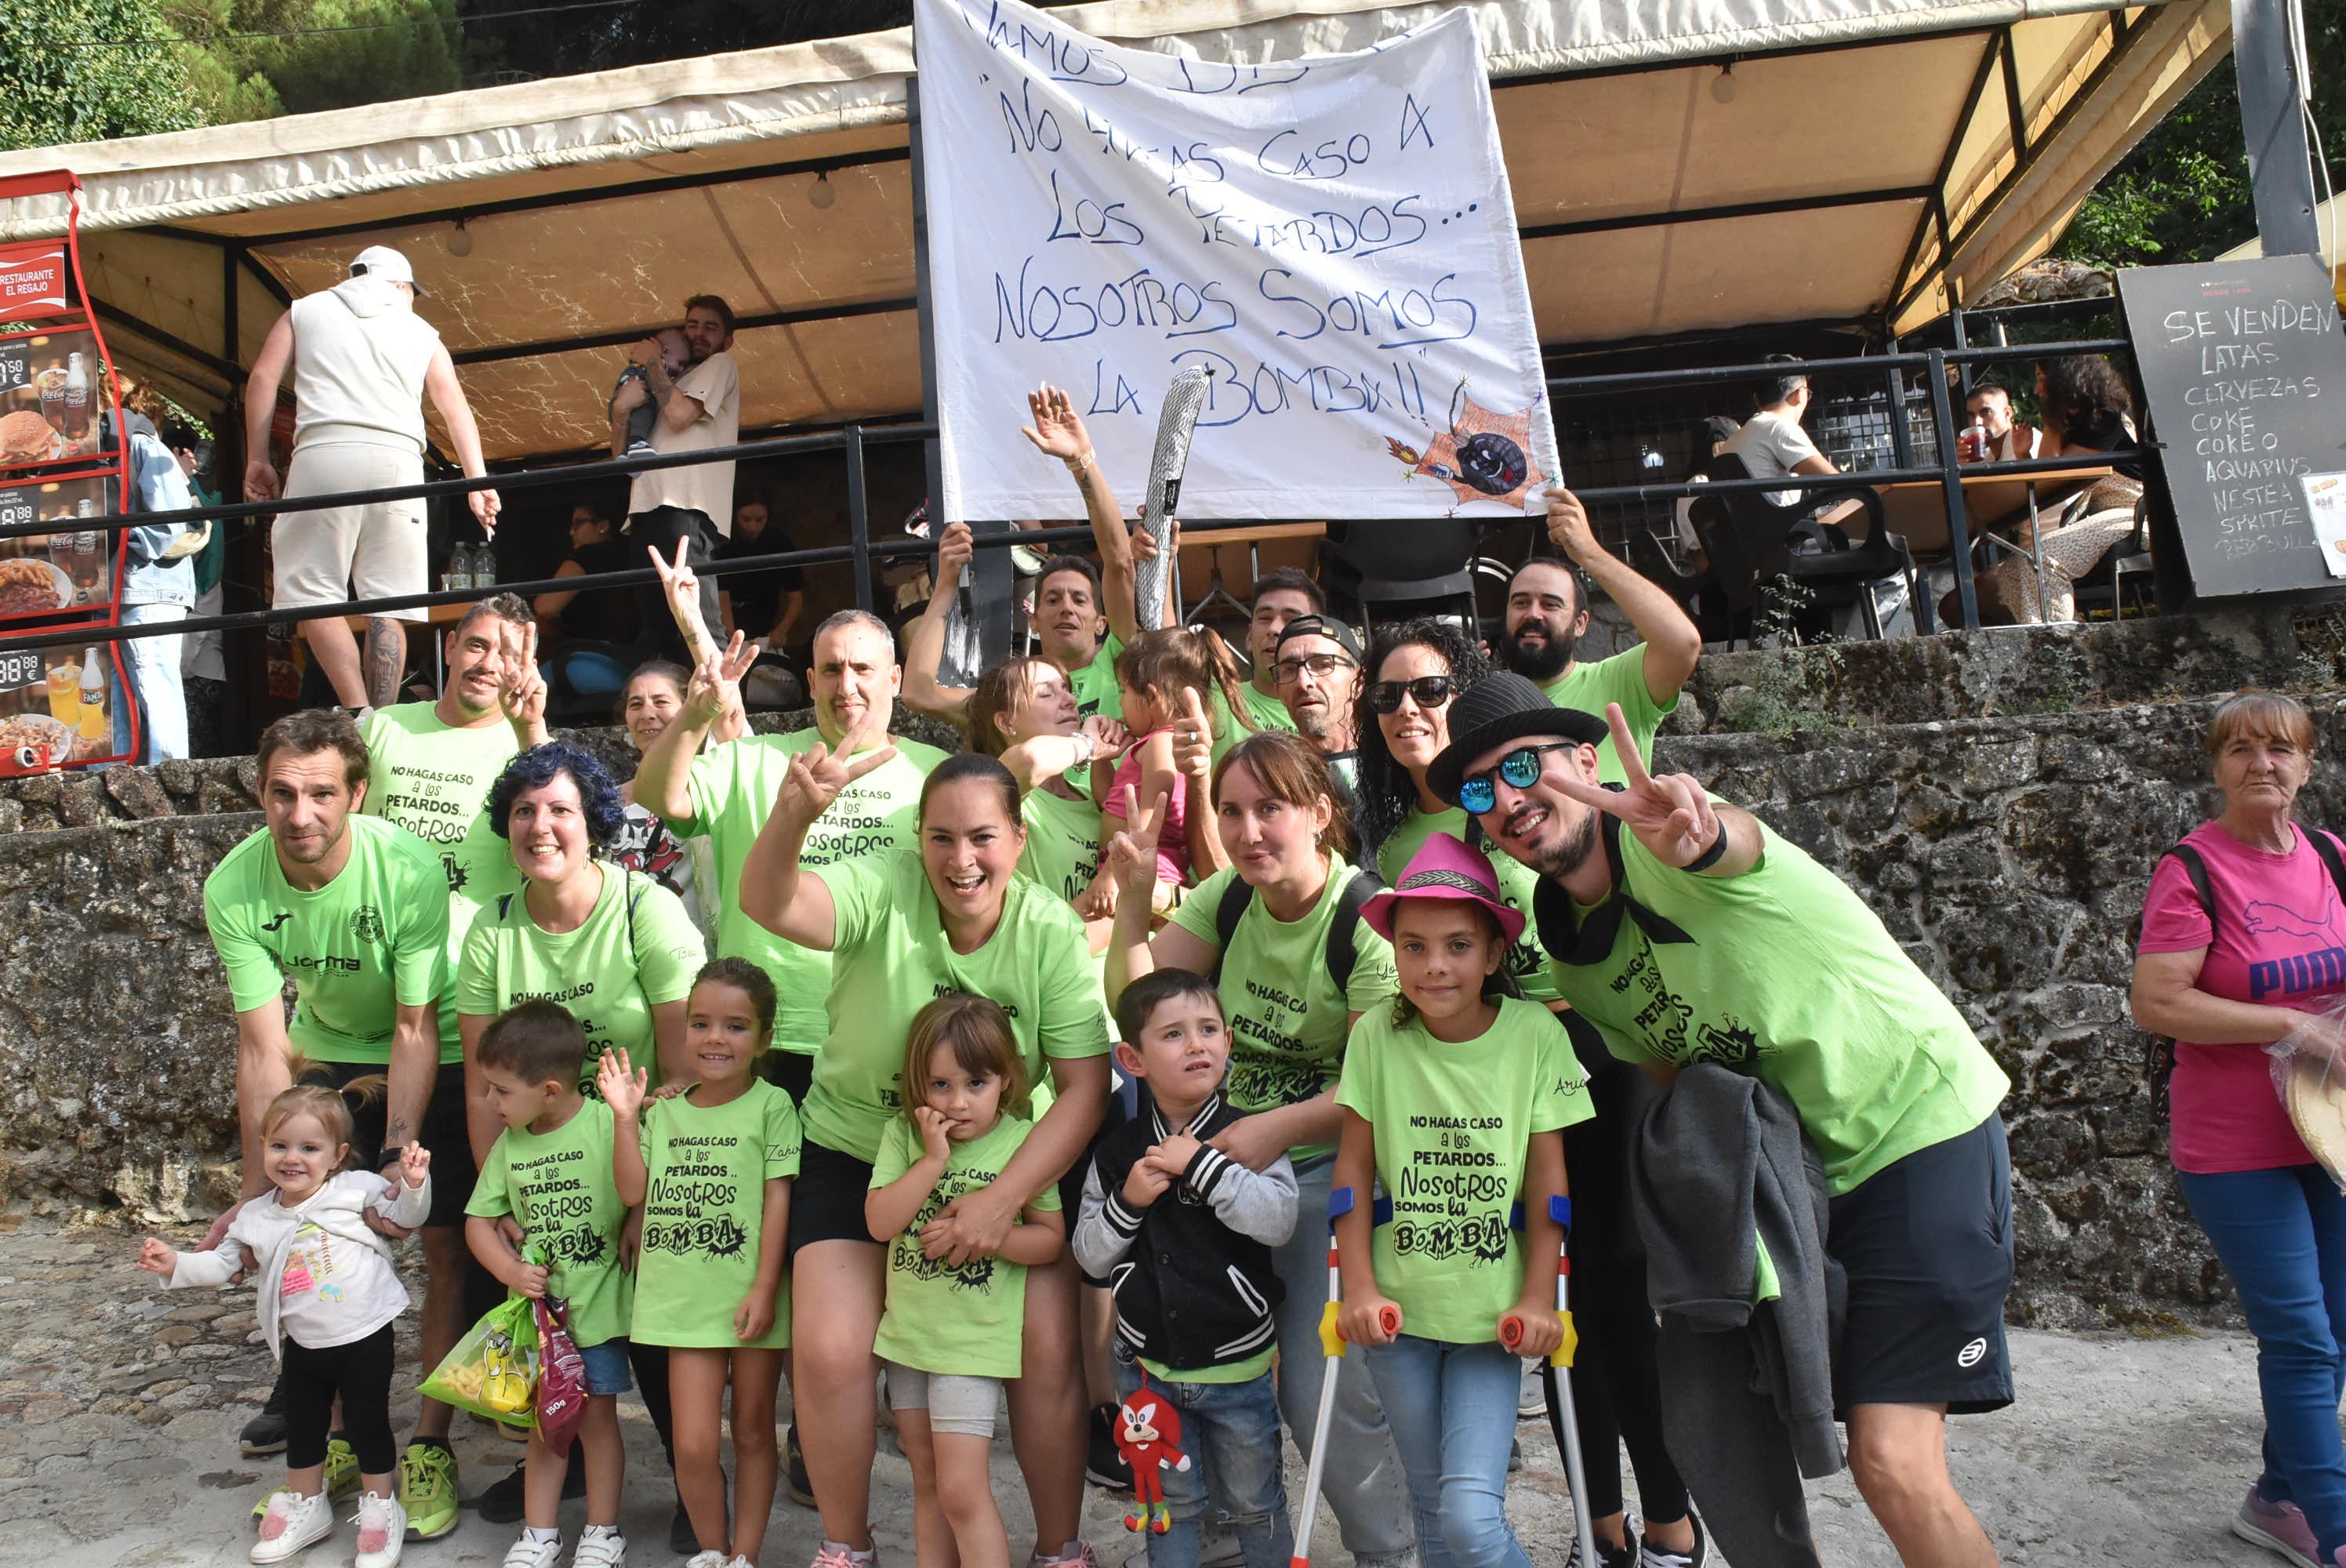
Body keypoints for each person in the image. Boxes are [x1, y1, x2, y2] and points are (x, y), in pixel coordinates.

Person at [1433, 677, 2014, 1568]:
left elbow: (1727, 843)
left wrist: (1699, 834)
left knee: (1892, 1459)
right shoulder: (1574, 955)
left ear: (1585, 762)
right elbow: (1677, 1077)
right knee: (1858, 1453)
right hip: (1805, 1181)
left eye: (1523, 766)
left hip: (1914, 1128)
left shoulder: (1672, 841)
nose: (1507, 799)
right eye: (1481, 788)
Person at [1349, 622, 1699, 1568]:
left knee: (1612, 1290)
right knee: (1539, 1301)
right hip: (1472, 1083)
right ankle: (1600, 1522)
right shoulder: (1390, 837)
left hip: (1583, 1053)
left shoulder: (1540, 782)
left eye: (1425, 689)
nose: (1408, 711)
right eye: (1385, 697)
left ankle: (1667, 1511)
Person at [738, 750, 1113, 1568]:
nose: (961, 858)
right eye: (940, 836)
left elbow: (1086, 1087)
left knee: (1047, 1347)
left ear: (1019, 837)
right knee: (833, 1348)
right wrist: (793, 814)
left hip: (1003, 1163)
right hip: (856, 1147)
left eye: (982, 835)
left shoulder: (1048, 929)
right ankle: (847, 1545)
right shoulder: (884, 882)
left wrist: (996, 1201)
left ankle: (1059, 1550)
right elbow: (768, 899)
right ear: (916, 838)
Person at [1104, 731, 1415, 1568]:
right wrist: (1133, 904)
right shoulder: (1226, 898)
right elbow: (1143, 1011)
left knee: (1319, 1388)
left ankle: (1386, 1552)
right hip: (1213, 1164)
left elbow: (1368, 1092)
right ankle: (1208, 1538)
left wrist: (1271, 1129)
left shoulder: (1366, 925)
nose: (1247, 831)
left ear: (1320, 812)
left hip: (1322, 1171)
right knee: (1165, 1339)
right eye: (1231, 811)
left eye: (1269, 808)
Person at [202, 710, 477, 1537]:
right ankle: (337, 1441)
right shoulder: (234, 885)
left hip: (440, 1040)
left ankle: (428, 1441)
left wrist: (397, 1147)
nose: (301, 813)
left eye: (322, 793)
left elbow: (413, 1026)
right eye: (282, 793)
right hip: (326, 1046)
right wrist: (256, 1197)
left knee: (438, 1241)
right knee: (307, 1238)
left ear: (357, 793)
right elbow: (261, 1047)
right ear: (259, 793)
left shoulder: (409, 867)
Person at [1335, 833, 1591, 1568]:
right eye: (1413, 947)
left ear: (1493, 954)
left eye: (1455, 945)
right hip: (1397, 1313)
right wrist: (1356, 1286)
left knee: (1470, 1519)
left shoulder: (1536, 1036)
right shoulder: (1375, 1035)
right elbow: (1353, 1173)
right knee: (1429, 1507)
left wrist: (1541, 1297)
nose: (1435, 965)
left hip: (1492, 1318)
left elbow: (1549, 1185)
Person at [2130, 693, 2346, 1568]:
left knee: (2338, 1325)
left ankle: (2277, 1496)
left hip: (2330, 1134)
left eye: (2279, 749)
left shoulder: (2332, 855)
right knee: (2299, 1335)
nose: (2262, 763)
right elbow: (2157, 1001)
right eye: (2241, 749)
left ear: (2308, 762)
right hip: (2234, 1146)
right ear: (2216, 766)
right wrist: (2287, 1024)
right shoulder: (2192, 870)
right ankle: (2336, 1530)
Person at [636, 601, 950, 1108]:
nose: (846, 685)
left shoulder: (935, 774)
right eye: (832, 669)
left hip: (893, 1034)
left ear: (893, 678)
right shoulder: (751, 759)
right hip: (763, 1035)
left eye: (862, 669)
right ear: (810, 681)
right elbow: (657, 795)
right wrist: (697, 712)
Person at [141, 1083, 431, 1568]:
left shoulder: (355, 1187)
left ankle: (381, 1507)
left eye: (309, 1148)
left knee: (366, 1419)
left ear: (337, 1155)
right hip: (303, 1340)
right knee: (303, 1420)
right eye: (279, 1146)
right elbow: (221, 1264)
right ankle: (307, 1504)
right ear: (263, 1148)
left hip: (365, 1331)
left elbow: (404, 1215)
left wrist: (415, 1182)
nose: (292, 1158)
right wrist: (175, 1263)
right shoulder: (255, 1216)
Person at [1073, 967, 1299, 1568]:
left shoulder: (1248, 1135)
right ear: (1133, 1058)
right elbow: (1089, 1257)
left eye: (1208, 1029)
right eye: (1173, 1034)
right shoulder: (1118, 1153)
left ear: (1228, 1041)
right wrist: (1129, 1203)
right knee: (1167, 1500)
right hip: (1145, 1368)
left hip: (1238, 1366)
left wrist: (1204, 1167)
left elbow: (1278, 1220)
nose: (1196, 1044)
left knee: (1257, 1502)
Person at [603, 960, 801, 1568]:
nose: (716, 1038)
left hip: (749, 1296)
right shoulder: (663, 1112)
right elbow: (633, 1191)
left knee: (750, 1431)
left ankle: (745, 1554)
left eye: (736, 1026)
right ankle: (712, 1551)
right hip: (679, 1300)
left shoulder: (773, 1107)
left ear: (764, 1040)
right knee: (690, 1444)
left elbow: (778, 1200)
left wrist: (766, 1287)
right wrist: (625, 1117)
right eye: (701, 1023)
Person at [242, 245, 500, 712]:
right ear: (400, 286)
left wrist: (257, 457)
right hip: (399, 463)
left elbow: (262, 379)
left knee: (313, 594)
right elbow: (454, 408)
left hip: (324, 456)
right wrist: (477, 482)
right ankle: (381, 718)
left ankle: (357, 709)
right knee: (390, 600)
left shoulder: (305, 310)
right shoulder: (421, 331)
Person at [867, 994, 1070, 1568]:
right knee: (927, 1486)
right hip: (908, 1340)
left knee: (960, 1489)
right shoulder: (904, 1138)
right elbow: (881, 1223)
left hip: (972, 1345)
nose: (957, 1103)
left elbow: (1050, 1239)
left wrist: (986, 1232)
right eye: (939, 1086)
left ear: (1005, 1079)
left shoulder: (1020, 1144)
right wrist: (930, 1162)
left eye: (975, 1084)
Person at [464, 1003, 634, 1568]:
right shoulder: (511, 1147)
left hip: (598, 1315)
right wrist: (508, 1271)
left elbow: (637, 1191)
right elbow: (478, 1223)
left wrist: (631, 1120)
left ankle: (602, 1532)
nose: (491, 1102)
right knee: (544, 1429)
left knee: (597, 1424)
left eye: (501, 1091)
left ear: (551, 1089)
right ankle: (539, 1534)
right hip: (541, 1327)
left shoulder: (605, 1125)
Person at [904, 386, 1144, 727]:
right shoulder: (1010, 694)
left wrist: (1081, 461)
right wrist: (945, 584)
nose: (1066, 607)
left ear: (1101, 623)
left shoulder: (1119, 664)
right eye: (1052, 599)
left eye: (1079, 600)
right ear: (1033, 619)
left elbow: (1120, 562)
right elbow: (919, 693)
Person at [362, 593, 549, 972]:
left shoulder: (531, 747)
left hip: (474, 971)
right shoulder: (383, 725)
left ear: (528, 667)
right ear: (450, 647)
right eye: (476, 646)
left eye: (507, 656)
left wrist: (531, 728)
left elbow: (562, 843)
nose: (487, 665)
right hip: (372, 960)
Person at [1496, 488, 1701, 786]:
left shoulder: (1618, 682)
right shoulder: (1487, 703)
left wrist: (1588, 551)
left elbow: (1683, 643)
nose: (1533, 614)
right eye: (1521, 602)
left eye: (1551, 604)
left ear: (1581, 624)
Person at [1970, 356, 2145, 626]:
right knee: (2009, 576)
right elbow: (2047, 478)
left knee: (2042, 559)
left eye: (2042, 380)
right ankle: (2056, 630)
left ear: (2067, 379)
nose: (2038, 390)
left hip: (2134, 514)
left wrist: (2049, 427)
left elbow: (2058, 478)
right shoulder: (2070, 423)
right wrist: (2027, 449)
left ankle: (2059, 643)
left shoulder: (2104, 416)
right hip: (2101, 515)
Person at [613, 296, 741, 660]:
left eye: (710, 327)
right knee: (657, 628)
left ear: (727, 340)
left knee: (699, 623)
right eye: (692, 325)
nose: (698, 334)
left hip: (688, 509)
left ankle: (723, 708)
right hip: (644, 512)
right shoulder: (666, 378)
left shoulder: (721, 364)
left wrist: (652, 361)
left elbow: (680, 416)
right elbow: (618, 457)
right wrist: (622, 409)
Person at [965, 650, 1126, 935]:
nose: (1071, 700)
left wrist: (1102, 760)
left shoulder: (1090, 795)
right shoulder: (1001, 793)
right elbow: (1031, 760)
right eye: (1046, 694)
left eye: (1066, 689)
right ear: (1006, 723)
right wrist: (1088, 745)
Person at [1104, 626, 1255, 895]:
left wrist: (1108, 877)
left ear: (1151, 697)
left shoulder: (1161, 744)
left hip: (1144, 872)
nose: (1120, 702)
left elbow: (1150, 820)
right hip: (1134, 865)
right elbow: (1108, 803)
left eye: (1123, 691)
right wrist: (1100, 758)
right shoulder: (1156, 744)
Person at [609, 658, 743, 939]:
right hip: (622, 950)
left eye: (660, 702)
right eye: (636, 704)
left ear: (689, 708)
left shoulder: (711, 789)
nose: (647, 713)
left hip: (694, 947)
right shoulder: (607, 800)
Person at [112, 416, 199, 763]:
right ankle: (122, 770)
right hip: (124, 585)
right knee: (120, 685)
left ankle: (168, 773)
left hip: (149, 585)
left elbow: (169, 517)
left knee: (153, 679)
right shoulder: (123, 443)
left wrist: (112, 542)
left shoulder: (139, 442)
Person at [1717, 354, 1854, 523]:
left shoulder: (1735, 439)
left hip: (1749, 540)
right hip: (1780, 539)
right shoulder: (1779, 427)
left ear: (1756, 399)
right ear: (1801, 394)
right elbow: (1841, 485)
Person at [532, 504, 642, 697]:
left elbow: (545, 607)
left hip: (589, 664)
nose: (571, 531)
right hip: (635, 667)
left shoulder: (589, 555)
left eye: (579, 523)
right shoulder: (636, 557)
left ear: (603, 526)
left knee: (523, 691)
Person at [1271, 615, 1366, 787]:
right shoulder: (1275, 779)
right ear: (1279, 691)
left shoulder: (1396, 764)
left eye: (1322, 664)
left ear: (1359, 682)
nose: (1303, 681)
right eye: (1289, 670)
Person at [1230, 568, 1320, 745]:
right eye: (1265, 618)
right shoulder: (1220, 699)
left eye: (1291, 619)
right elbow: (1169, 656)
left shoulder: (1340, 709)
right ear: (1249, 637)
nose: (1274, 630)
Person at [614, 326, 691, 456]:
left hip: (623, 403)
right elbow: (657, 387)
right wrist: (653, 361)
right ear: (665, 351)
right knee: (646, 412)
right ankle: (637, 442)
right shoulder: (653, 365)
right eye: (680, 363)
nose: (681, 369)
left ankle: (626, 452)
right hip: (639, 401)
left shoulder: (637, 366)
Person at [1957, 383, 2040, 464]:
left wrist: (2023, 455)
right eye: (1971, 416)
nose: (1976, 422)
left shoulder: (2026, 439)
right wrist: (1963, 466)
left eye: (1986, 412)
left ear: (2007, 414)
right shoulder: (1985, 456)